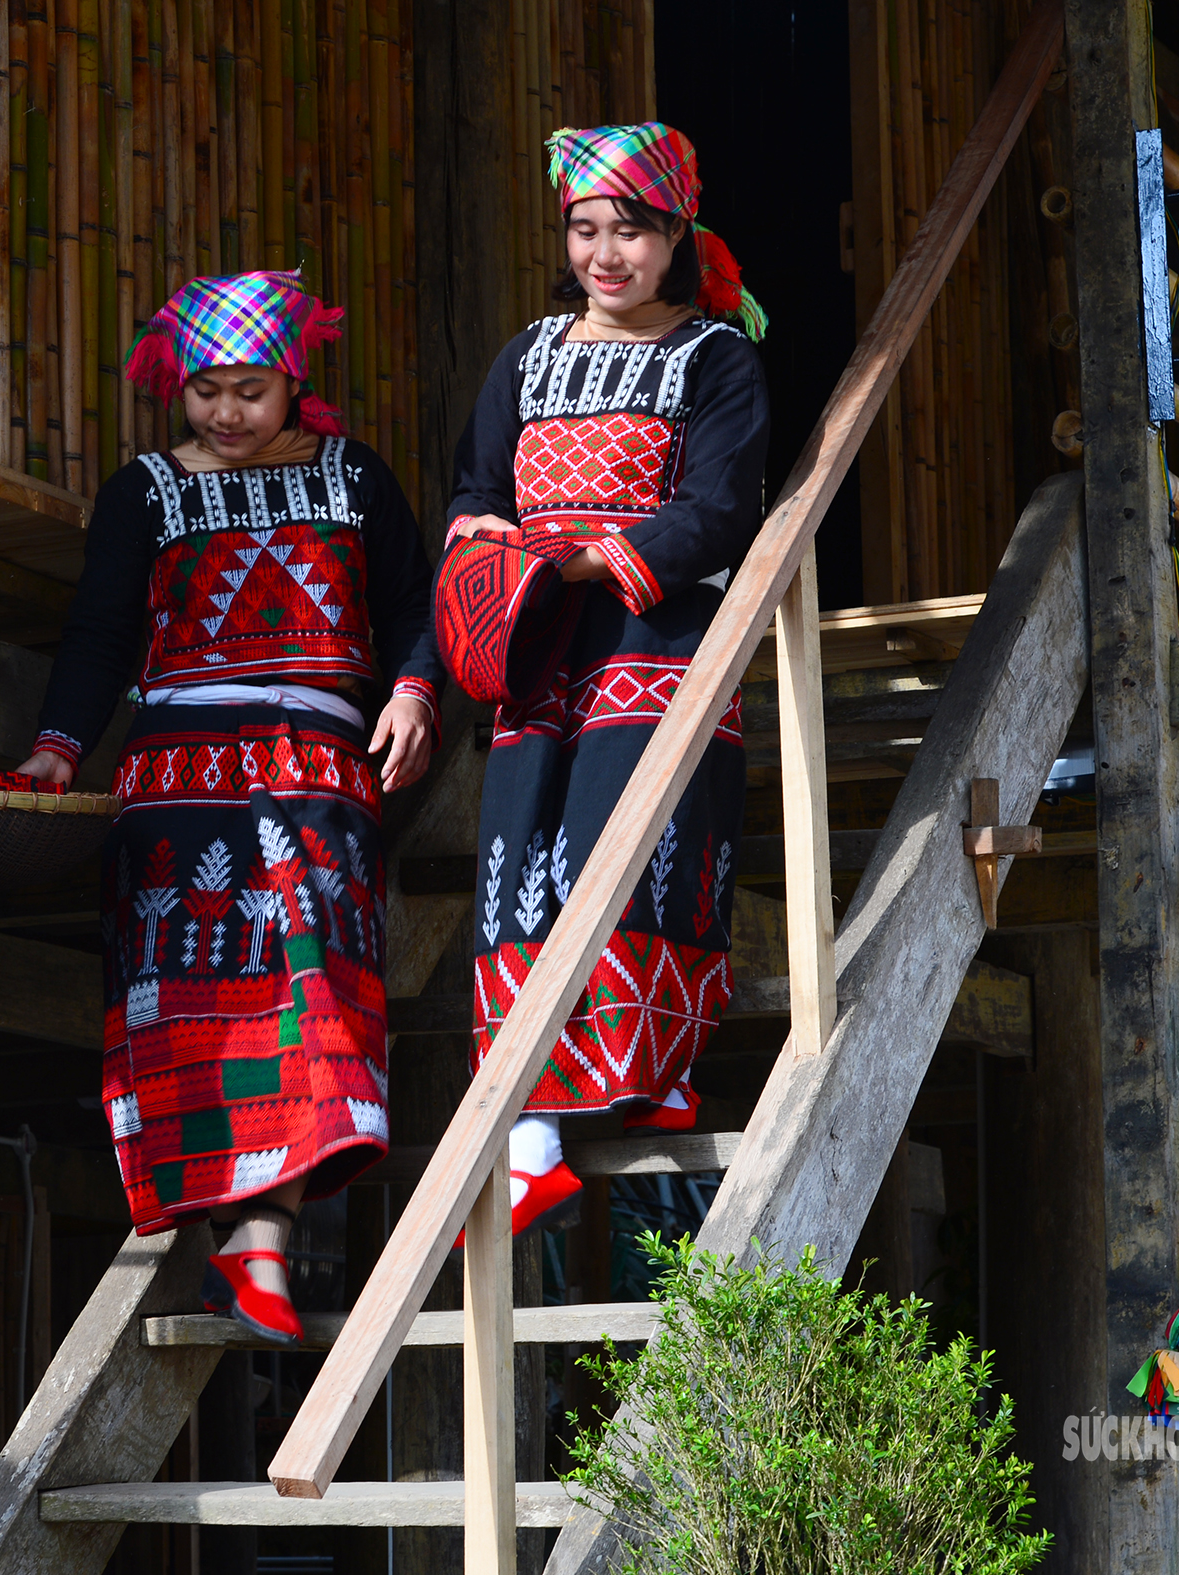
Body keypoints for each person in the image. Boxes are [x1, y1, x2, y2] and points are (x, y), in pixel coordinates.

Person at [15, 270, 441, 1345]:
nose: (226, 413)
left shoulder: (352, 478)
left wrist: (412, 689)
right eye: (205, 390)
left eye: (249, 389)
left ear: (293, 380)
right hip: (175, 776)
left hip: (315, 766)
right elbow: (102, 634)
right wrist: (58, 751)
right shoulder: (145, 492)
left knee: (313, 1003)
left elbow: (411, 605)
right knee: (187, 1011)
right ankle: (250, 1259)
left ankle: (263, 1252)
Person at [443, 123, 771, 1238]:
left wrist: (585, 557)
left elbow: (722, 506)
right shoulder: (526, 356)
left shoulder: (713, 358)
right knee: (521, 857)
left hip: (653, 634)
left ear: (677, 235)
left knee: (624, 842)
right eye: (586, 229)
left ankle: (655, 1067)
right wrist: (483, 547)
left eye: (630, 229)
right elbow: (478, 485)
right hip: (538, 645)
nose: (606, 253)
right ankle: (531, 1132)